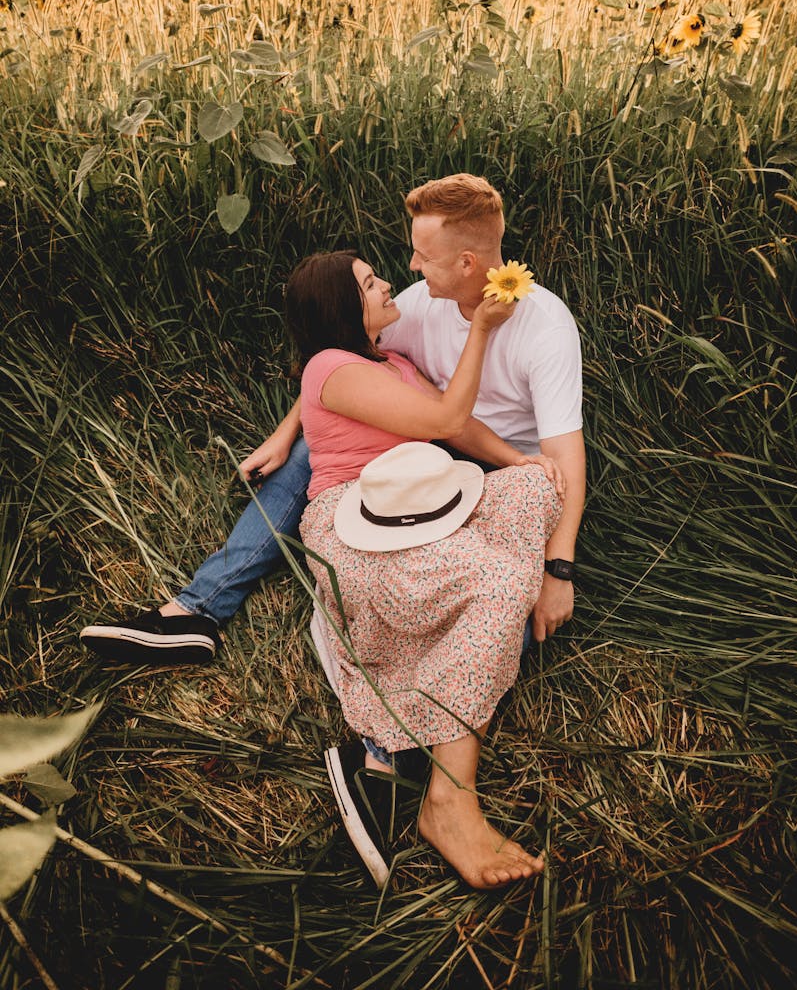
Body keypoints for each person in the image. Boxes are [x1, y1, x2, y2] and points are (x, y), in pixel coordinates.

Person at [79, 173, 584, 666]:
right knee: (304, 456)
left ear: (468, 262)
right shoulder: (418, 304)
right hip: (423, 447)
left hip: (499, 468)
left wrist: (558, 569)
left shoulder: (545, 326)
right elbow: (343, 364)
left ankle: (406, 716)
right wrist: (286, 431)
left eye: (424, 257)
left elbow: (562, 459)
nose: (409, 267)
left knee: (510, 605)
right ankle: (196, 611)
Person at [284, 250, 564, 889]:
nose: (386, 283)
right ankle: (448, 799)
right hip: (356, 523)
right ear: (340, 309)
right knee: (498, 583)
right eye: (368, 283)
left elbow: (461, 434)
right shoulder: (330, 367)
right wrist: (483, 331)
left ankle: (423, 711)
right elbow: (444, 419)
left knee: (536, 493)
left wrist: (518, 462)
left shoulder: (395, 362)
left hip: (425, 507)